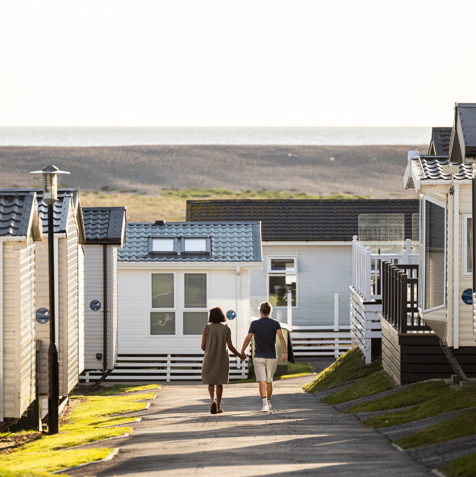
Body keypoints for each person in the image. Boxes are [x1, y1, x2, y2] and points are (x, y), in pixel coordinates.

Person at [241, 301, 287, 412]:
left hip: (259, 357)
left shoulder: (254, 324)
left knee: (261, 381)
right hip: (271, 356)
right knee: (269, 380)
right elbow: (281, 337)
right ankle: (269, 403)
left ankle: (265, 405)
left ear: (260, 311)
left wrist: (242, 351)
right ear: (270, 312)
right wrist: (284, 352)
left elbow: (248, 338)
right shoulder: (275, 323)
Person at [201, 307, 245, 414]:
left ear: (211, 316)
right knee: (219, 382)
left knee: (210, 382)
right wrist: (240, 355)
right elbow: (230, 346)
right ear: (222, 316)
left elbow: (202, 346)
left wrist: (209, 349)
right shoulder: (226, 329)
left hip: (209, 358)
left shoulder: (207, 328)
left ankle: (212, 400)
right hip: (221, 359)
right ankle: (218, 407)